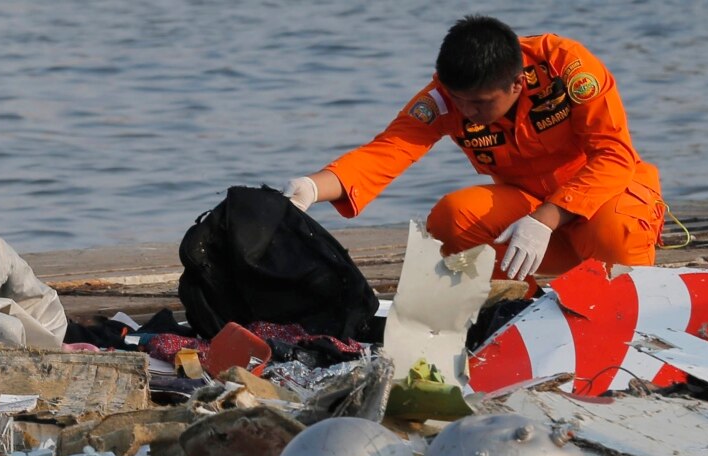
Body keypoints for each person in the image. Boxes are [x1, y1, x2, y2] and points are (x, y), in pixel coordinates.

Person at [283, 14, 665, 286]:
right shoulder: (445, 99)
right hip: (529, 217)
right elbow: (387, 151)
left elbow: (614, 155)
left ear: (517, 84)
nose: (467, 112)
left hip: (603, 206)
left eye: (480, 104)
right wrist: (311, 189)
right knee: (451, 218)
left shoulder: (565, 67)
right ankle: (514, 304)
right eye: (458, 99)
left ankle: (631, 304)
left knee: (617, 226)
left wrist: (547, 218)